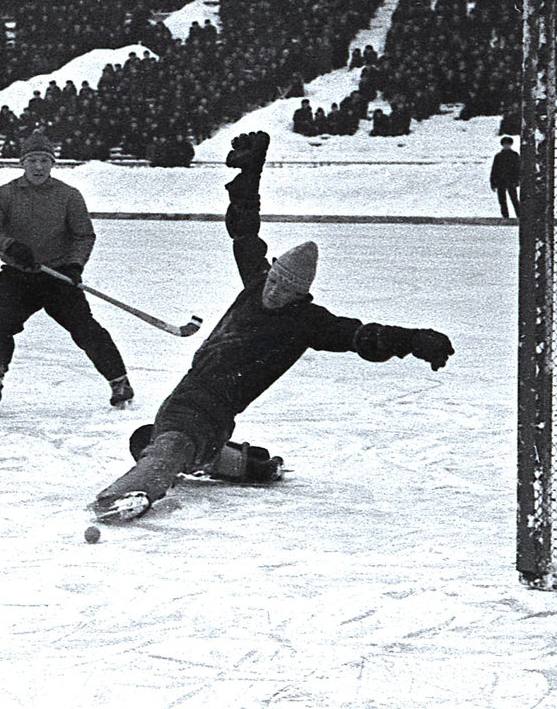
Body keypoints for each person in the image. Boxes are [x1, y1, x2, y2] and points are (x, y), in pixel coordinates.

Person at [93, 132, 455, 522]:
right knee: (150, 440)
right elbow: (245, 230)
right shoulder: (256, 281)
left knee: (171, 445)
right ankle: (243, 464)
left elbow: (363, 336)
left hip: (211, 411)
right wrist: (251, 172)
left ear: (300, 294)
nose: (275, 290)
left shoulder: (305, 322)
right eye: (276, 279)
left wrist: (416, 340)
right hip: (185, 394)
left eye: (287, 288)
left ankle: (127, 493)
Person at [0, 131, 131, 414]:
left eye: (44, 160)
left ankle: (119, 381)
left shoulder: (68, 196)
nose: (39, 167)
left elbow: (84, 236)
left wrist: (74, 265)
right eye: (33, 160)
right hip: (19, 277)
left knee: (85, 328)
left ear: (52, 163)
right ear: (23, 162)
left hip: (58, 277)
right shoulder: (5, 194)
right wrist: (8, 245)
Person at [491, 136, 521, 219]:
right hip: (501, 181)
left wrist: (518, 179)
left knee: (514, 199)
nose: (506, 146)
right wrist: (493, 183)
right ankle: (505, 216)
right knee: (502, 200)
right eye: (505, 144)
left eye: (508, 144)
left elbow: (518, 168)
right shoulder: (498, 156)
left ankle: (519, 215)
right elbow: (494, 169)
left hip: (511, 180)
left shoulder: (514, 155)